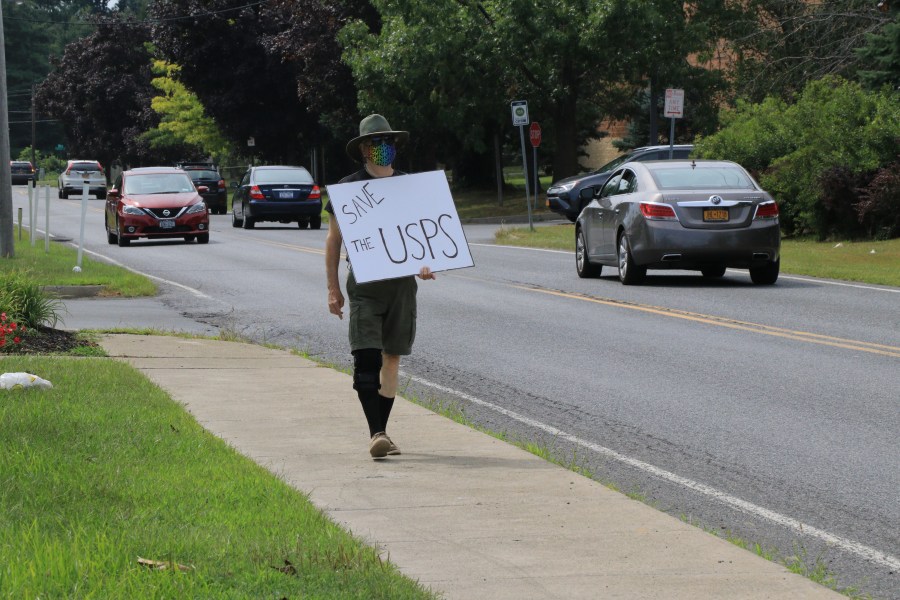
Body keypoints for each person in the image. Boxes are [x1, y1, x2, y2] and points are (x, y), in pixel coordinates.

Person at [325, 114, 436, 459]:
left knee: (391, 360)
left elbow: (423, 235)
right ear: (363, 150)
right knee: (366, 357)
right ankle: (376, 432)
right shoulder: (347, 190)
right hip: (365, 285)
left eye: (388, 143)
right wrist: (333, 288)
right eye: (375, 144)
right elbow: (333, 241)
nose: (383, 149)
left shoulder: (409, 186)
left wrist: (428, 264)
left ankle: (382, 431)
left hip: (401, 287)